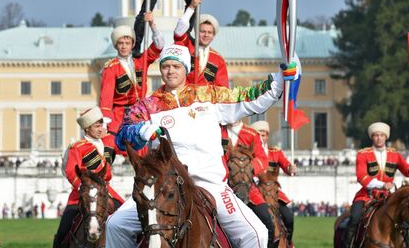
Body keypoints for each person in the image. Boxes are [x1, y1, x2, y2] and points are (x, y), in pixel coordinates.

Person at [107, 44, 298, 248]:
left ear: (185, 69)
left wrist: (279, 80)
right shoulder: (148, 106)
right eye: (166, 66)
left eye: (176, 66)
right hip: (165, 186)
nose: (170, 71)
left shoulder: (208, 96)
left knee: (257, 233)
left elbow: (250, 97)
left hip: (210, 185)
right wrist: (143, 130)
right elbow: (122, 135)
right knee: (114, 225)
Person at [343, 122, 409, 248]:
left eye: (382, 135)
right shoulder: (363, 154)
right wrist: (382, 185)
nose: (379, 138)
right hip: (366, 197)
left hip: (388, 197)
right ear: (372, 137)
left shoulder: (395, 155)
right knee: (354, 218)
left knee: (404, 220)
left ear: (386, 137)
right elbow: (362, 177)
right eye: (376, 135)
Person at [53, 107, 124, 248]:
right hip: (82, 192)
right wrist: (81, 186)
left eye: (101, 125)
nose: (100, 129)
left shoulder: (108, 141)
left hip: (107, 192)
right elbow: (71, 170)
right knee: (62, 232)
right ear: (86, 129)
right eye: (96, 126)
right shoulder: (78, 147)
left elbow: (124, 147)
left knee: (128, 220)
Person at [100, 14, 164, 135]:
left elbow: (159, 45)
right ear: (116, 45)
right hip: (120, 116)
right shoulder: (111, 68)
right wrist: (105, 124)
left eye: (127, 43)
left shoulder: (141, 61)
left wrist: (152, 25)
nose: (124, 46)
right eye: (121, 43)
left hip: (141, 113)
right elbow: (106, 99)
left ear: (132, 44)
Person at [222, 120, 277, 247]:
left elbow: (262, 160)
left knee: (268, 223)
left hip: (248, 188)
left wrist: (247, 169)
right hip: (223, 186)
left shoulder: (251, 134)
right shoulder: (218, 130)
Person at [251, 120, 297, 248]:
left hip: (274, 193)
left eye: (264, 135)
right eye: (259, 134)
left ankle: (288, 243)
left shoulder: (275, 152)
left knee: (288, 217)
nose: (262, 137)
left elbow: (285, 164)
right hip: (256, 192)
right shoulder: (249, 154)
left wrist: (290, 168)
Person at [174, 0, 228, 86]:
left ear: (213, 35)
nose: (206, 35)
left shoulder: (218, 59)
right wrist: (191, 7)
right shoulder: (186, 47)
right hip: (182, 96)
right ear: (196, 32)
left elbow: (222, 87)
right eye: (202, 31)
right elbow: (179, 32)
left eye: (209, 32)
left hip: (205, 99)